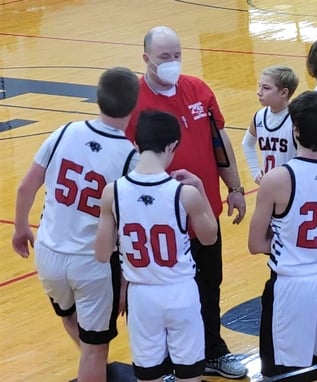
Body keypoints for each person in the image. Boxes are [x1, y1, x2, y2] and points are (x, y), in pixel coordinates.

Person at [125, 26, 247, 379]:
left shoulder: (198, 89)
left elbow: (218, 140)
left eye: (177, 55)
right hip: (159, 221)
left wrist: (235, 187)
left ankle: (212, 351)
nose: (173, 62)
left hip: (203, 210)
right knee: (164, 297)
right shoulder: (133, 99)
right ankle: (163, 365)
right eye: (165, 57)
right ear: (146, 57)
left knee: (210, 285)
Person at [11, 66, 140, 382]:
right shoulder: (130, 157)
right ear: (135, 106)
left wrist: (20, 227)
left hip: (49, 253)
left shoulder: (64, 132)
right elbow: (127, 228)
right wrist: (125, 280)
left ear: (97, 99)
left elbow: (26, 186)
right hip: (92, 263)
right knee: (97, 349)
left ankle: (90, 370)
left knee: (70, 318)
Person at [95, 110, 218, 382]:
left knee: (148, 376)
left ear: (136, 144)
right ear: (173, 145)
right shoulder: (186, 193)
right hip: (180, 292)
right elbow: (210, 237)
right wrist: (200, 188)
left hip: (142, 297)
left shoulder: (112, 192)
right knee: (189, 375)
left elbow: (102, 254)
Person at [248, 90, 317, 381]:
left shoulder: (277, 179)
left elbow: (255, 244)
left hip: (292, 288)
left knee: (287, 373)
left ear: (295, 129)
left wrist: (288, 244)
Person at [242, 65, 299, 184]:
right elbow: (247, 143)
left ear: (284, 93)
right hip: (269, 186)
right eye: (259, 86)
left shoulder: (296, 119)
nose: (259, 92)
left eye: (266, 88)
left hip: (292, 186)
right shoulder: (259, 117)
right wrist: (255, 172)